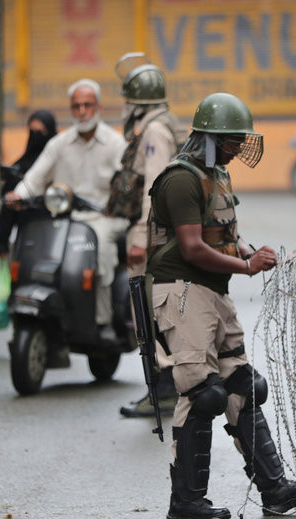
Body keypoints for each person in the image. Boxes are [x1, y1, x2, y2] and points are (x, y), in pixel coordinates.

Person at [147, 92, 296, 519]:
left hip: (212, 291)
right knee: (202, 393)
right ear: (212, 137)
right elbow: (191, 247)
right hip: (182, 290)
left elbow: (220, 237)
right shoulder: (180, 179)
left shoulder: (215, 175)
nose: (240, 148)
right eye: (234, 140)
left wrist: (251, 252)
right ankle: (186, 501)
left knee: (243, 385)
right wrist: (245, 265)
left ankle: (275, 490)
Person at [3, 79, 128, 344]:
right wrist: (19, 194)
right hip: (66, 217)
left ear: (99, 107)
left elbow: (129, 181)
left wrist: (118, 200)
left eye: (87, 105)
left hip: (104, 218)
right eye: (76, 106)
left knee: (101, 255)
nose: (82, 111)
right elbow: (34, 177)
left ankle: (102, 321)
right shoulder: (59, 144)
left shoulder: (115, 143)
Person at [111, 54, 185, 418]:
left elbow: (152, 189)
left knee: (149, 312)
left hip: (153, 238)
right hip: (164, 236)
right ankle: (162, 388)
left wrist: (140, 236)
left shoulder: (154, 131)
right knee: (155, 311)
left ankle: (162, 390)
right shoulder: (164, 122)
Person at [0, 109, 57, 257]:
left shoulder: (59, 162)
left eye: (41, 132)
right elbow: (8, 204)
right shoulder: (20, 167)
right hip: (27, 235)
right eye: (32, 131)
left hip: (56, 232)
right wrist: (1, 240)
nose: (36, 137)